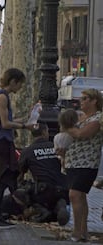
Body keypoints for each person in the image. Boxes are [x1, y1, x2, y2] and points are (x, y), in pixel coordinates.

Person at [0, 68, 35, 229]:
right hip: (1, 144)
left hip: (3, 143)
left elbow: (5, 120)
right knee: (1, 179)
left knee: (5, 178)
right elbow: (5, 124)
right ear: (13, 81)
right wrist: (25, 126)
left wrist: (25, 119)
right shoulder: (2, 98)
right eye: (20, 84)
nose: (20, 88)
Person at [58, 88, 103, 242]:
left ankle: (77, 232)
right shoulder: (81, 118)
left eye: (85, 98)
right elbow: (73, 138)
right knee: (80, 197)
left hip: (87, 163)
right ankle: (84, 231)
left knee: (74, 194)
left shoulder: (98, 118)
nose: (81, 101)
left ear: (94, 101)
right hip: (72, 161)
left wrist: (65, 126)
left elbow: (81, 134)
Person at [18, 123, 70, 226]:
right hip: (63, 188)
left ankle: (41, 210)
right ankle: (60, 205)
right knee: (58, 195)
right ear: (44, 132)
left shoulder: (28, 150)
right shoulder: (56, 146)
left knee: (24, 187)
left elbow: (19, 174)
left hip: (43, 191)